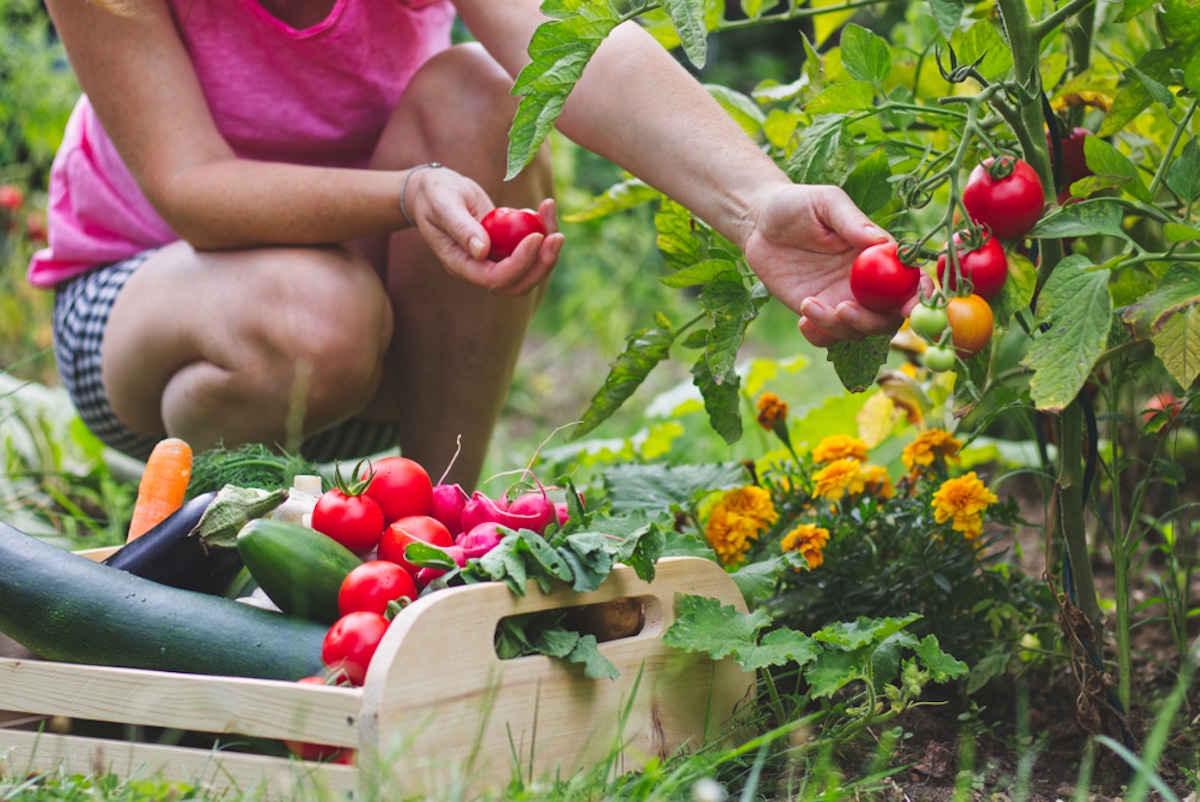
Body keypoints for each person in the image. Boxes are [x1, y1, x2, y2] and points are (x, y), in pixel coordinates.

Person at [31, 0, 914, 491]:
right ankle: (212, 544)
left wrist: (755, 201)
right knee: (308, 314)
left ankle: (437, 519)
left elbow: (576, 55)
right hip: (155, 313)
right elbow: (195, 193)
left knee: (485, 93)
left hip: (391, 312)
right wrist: (409, 194)